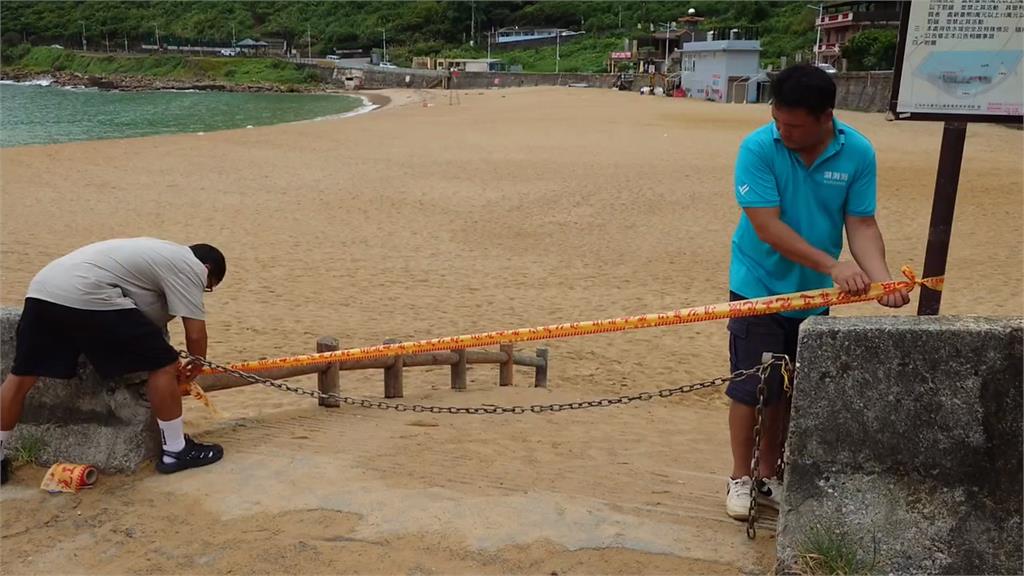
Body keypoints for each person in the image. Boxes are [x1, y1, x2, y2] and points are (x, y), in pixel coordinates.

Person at [724, 64, 909, 520]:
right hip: (757, 286)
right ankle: (740, 478)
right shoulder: (758, 147)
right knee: (753, 387)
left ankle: (770, 475)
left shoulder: (857, 152)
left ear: (826, 116)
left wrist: (883, 280)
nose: (782, 131)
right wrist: (833, 265)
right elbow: (767, 227)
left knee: (789, 389)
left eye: (793, 125)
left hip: (814, 296)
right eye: (777, 121)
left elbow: (861, 223)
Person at [1, 238, 227, 484]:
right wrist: (196, 363)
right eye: (207, 287)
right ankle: (175, 451)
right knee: (164, 364)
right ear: (207, 269)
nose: (202, 290)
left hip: (42, 290)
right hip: (88, 293)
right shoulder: (191, 266)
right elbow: (195, 333)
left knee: (22, 375)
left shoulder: (157, 252)